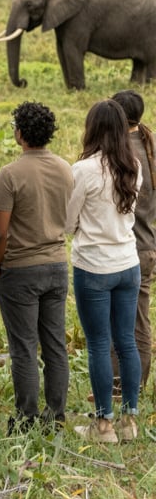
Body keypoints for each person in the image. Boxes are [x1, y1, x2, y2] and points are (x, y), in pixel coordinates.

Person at [0, 102, 73, 434]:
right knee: (55, 345)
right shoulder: (65, 168)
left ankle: (26, 417)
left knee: (23, 346)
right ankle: (57, 415)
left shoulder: (10, 173)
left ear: (19, 133)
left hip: (20, 269)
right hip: (56, 264)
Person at [67, 99, 141, 443]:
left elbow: (68, 221)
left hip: (93, 266)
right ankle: (131, 421)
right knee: (127, 341)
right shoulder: (134, 165)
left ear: (92, 128)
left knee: (98, 344)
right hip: (128, 262)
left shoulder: (83, 170)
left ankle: (104, 425)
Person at [110, 90, 156, 391]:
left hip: (125, 247)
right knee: (140, 319)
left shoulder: (118, 154)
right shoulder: (150, 146)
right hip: (148, 246)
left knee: (118, 322)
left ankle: (119, 386)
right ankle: (137, 383)